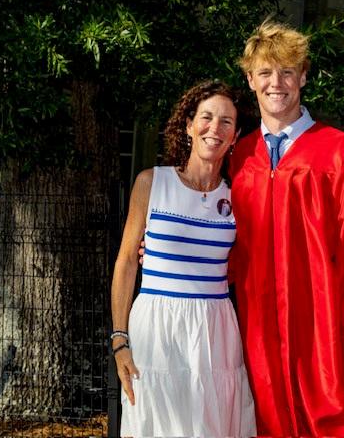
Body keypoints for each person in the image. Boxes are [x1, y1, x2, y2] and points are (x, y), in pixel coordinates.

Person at [228, 20, 344, 437]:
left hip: (328, 333)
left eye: (287, 72)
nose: (276, 83)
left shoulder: (342, 155)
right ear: (250, 79)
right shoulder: (239, 156)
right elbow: (222, 239)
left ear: (303, 76)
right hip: (259, 338)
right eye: (265, 72)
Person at [110, 80, 256, 437]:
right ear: (189, 125)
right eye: (206, 117)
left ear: (236, 136)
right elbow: (127, 262)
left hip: (215, 333)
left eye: (226, 121)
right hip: (156, 331)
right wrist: (119, 340)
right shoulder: (151, 183)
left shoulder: (241, 196)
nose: (214, 128)